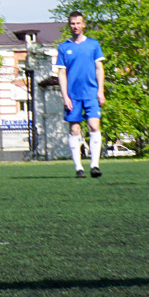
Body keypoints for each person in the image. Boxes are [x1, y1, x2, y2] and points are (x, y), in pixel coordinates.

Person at [56, 11, 106, 178]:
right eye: (72, 23)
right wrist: (65, 97)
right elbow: (61, 73)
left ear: (83, 24)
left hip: (91, 93)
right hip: (73, 95)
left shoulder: (93, 45)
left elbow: (99, 68)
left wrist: (100, 91)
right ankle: (79, 168)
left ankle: (95, 165)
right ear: (69, 25)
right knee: (75, 129)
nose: (75, 26)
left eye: (78, 23)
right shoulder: (64, 47)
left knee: (94, 126)